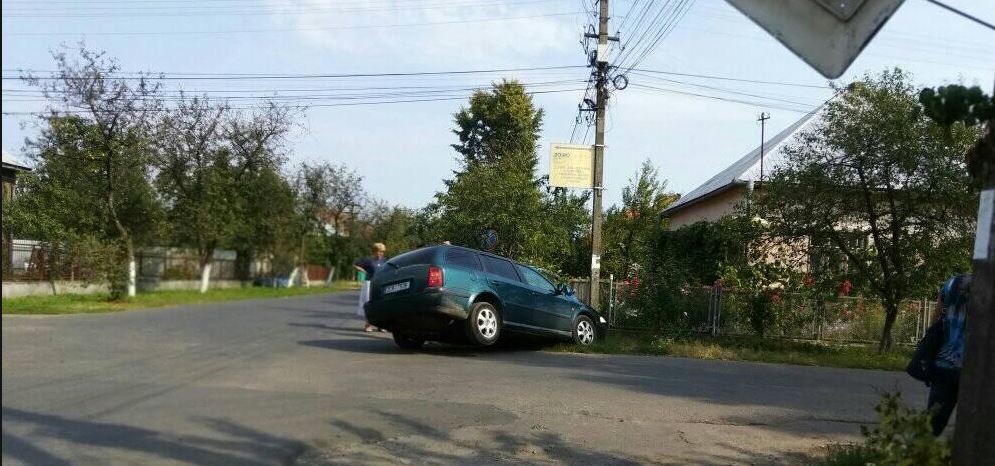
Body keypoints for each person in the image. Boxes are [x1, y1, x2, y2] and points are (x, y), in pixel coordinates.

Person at [927, 273, 972, 436]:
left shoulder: (953, 282)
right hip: (977, 370)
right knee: (974, 431)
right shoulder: (988, 284)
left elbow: (936, 316)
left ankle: (919, 456)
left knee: (931, 425)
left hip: (944, 363)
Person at [354, 243, 388, 332]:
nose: (381, 253)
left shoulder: (385, 260)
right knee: (369, 303)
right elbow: (356, 264)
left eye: (382, 252)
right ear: (374, 251)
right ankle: (368, 324)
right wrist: (365, 271)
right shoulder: (368, 260)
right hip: (369, 283)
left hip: (380, 284)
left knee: (381, 304)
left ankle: (381, 325)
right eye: (379, 251)